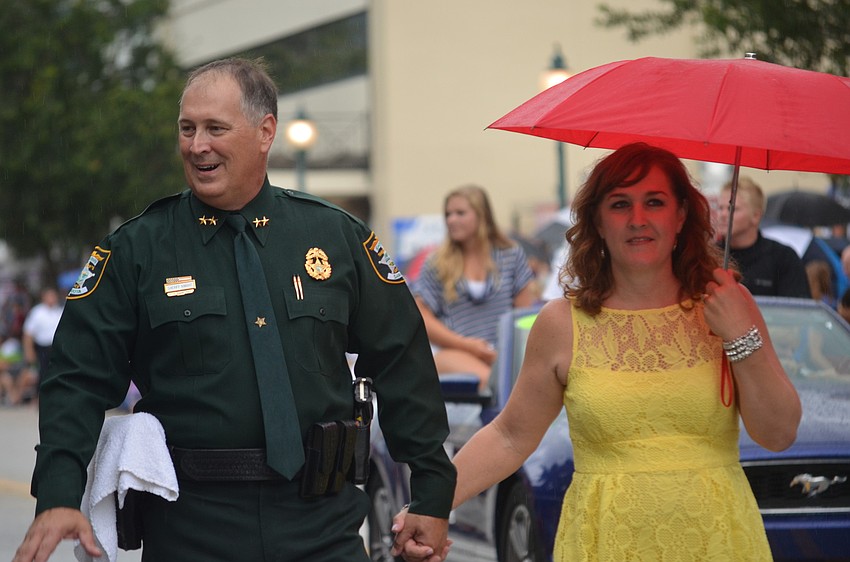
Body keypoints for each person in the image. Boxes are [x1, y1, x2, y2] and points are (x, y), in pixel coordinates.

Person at [14, 57, 455, 562]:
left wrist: (432, 491)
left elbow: (403, 362)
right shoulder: (138, 249)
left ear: (265, 132)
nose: (197, 145)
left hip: (322, 525)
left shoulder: (336, 238)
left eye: (214, 128)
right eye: (187, 129)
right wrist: (57, 495)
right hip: (192, 526)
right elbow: (76, 379)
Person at [392, 142, 802, 561]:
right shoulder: (560, 323)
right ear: (598, 222)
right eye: (620, 204)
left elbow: (779, 433)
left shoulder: (730, 305)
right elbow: (510, 436)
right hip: (605, 539)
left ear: (681, 216)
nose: (638, 219)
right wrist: (431, 503)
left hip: (719, 539)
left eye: (655, 202)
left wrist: (739, 335)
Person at [412, 185, 538, 389]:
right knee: (493, 385)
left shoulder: (511, 256)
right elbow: (421, 317)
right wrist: (466, 345)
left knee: (512, 386)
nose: (451, 220)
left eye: (460, 213)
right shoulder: (436, 262)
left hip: (504, 355)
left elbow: (523, 316)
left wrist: (508, 353)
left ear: (482, 215)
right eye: (448, 214)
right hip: (454, 351)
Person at [717, 176, 811, 297]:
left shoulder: (783, 258)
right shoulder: (708, 257)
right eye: (720, 208)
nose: (723, 214)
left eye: (732, 209)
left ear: (756, 216)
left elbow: (797, 309)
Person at [21, 286, 65, 394]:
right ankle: (39, 396)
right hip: (42, 348)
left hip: (57, 347)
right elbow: (28, 334)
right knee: (42, 373)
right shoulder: (37, 312)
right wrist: (29, 352)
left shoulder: (59, 311)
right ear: (44, 297)